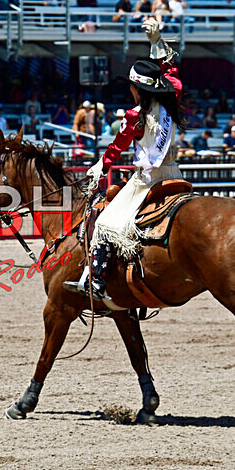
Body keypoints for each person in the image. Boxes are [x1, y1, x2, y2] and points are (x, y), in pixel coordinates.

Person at [76, 19, 184, 299]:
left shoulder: (135, 116)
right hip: (175, 175)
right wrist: (156, 44)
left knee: (103, 224)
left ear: (137, 89)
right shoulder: (172, 100)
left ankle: (96, 283)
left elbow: (117, 145)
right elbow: (170, 74)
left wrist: (101, 165)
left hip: (147, 179)